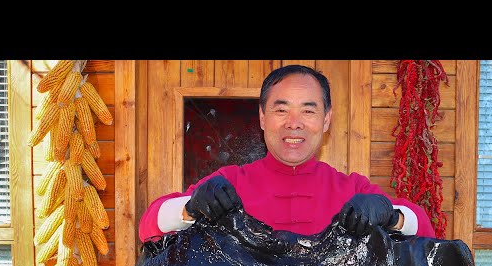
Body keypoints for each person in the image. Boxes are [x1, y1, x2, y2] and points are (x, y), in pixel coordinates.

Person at [139, 64, 435, 243]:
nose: (294, 123)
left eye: (308, 110)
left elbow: (424, 230)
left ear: (326, 120)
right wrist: (189, 208)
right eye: (281, 110)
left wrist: (391, 215)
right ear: (263, 118)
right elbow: (149, 227)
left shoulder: (351, 189)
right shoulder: (230, 182)